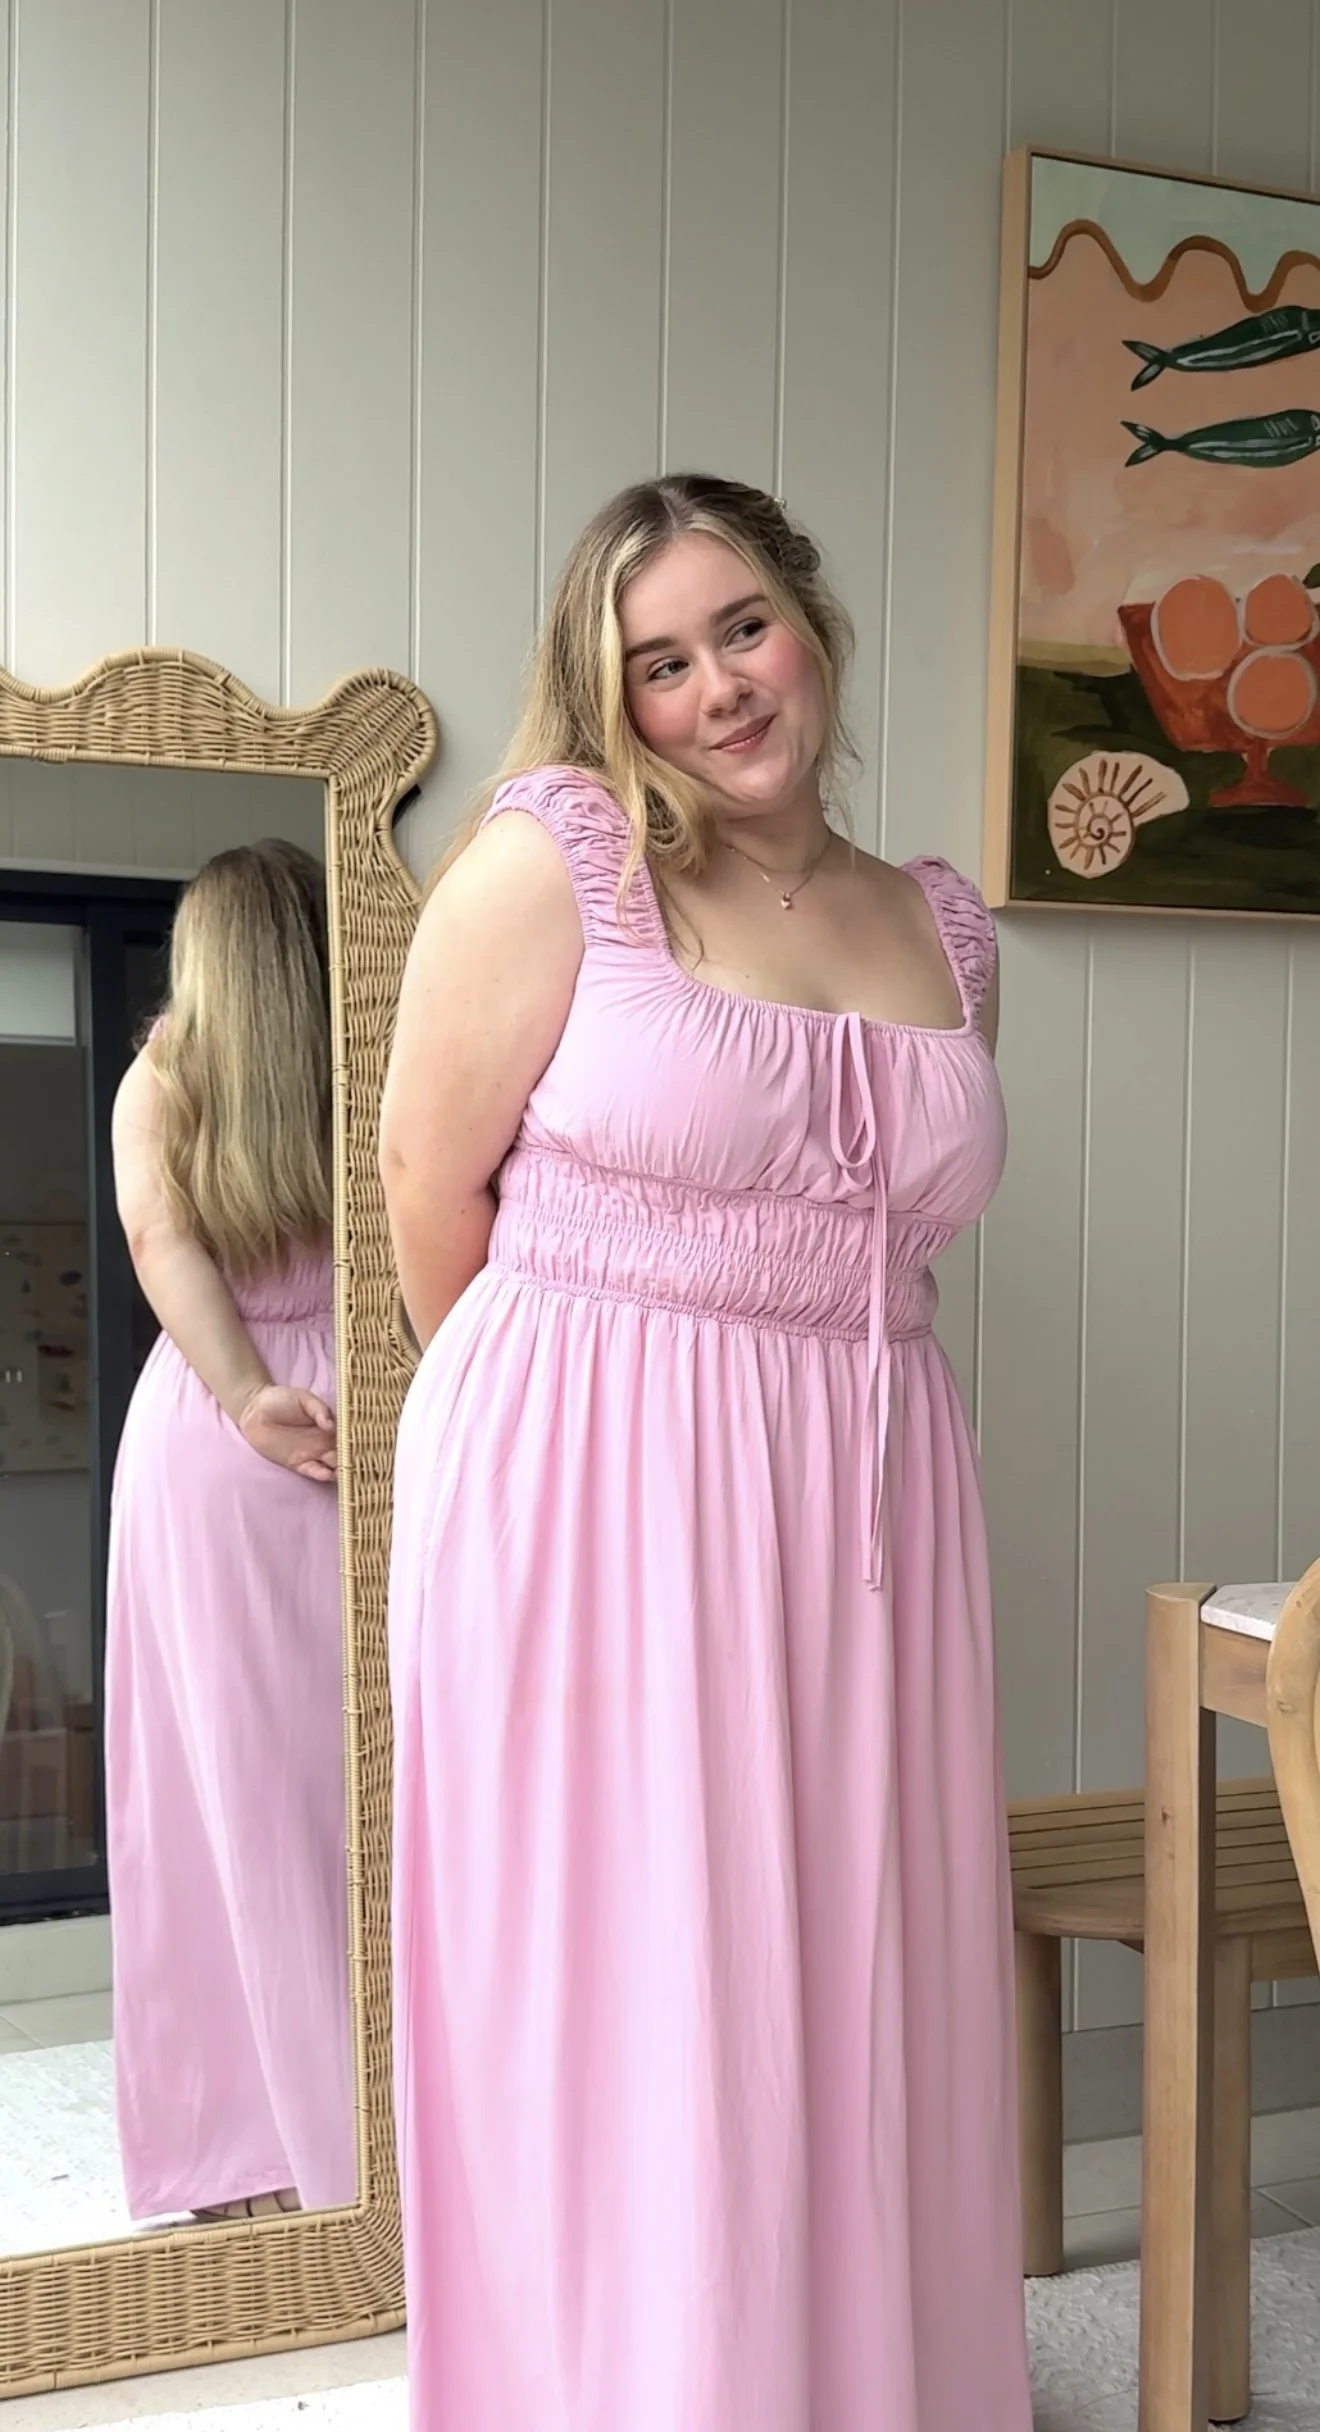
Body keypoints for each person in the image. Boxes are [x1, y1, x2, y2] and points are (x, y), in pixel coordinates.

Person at [381, 474, 1031, 2429]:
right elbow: (425, 1188)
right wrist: (559, 1460)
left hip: (873, 1489)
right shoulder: (557, 859)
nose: (717, 688)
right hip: (594, 1484)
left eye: (742, 627)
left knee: (850, 1974)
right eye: (657, 662)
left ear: (811, 623)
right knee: (640, 1993)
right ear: (611, 696)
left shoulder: (942, 921)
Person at [105, 838, 356, 2224]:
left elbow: (161, 1243)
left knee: (208, 1799)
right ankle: (369, 2122)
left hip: (219, 1422)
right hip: (364, 1410)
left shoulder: (164, 1077)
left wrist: (248, 1389)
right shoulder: (368, 1055)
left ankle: (246, 2148)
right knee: (358, 1789)